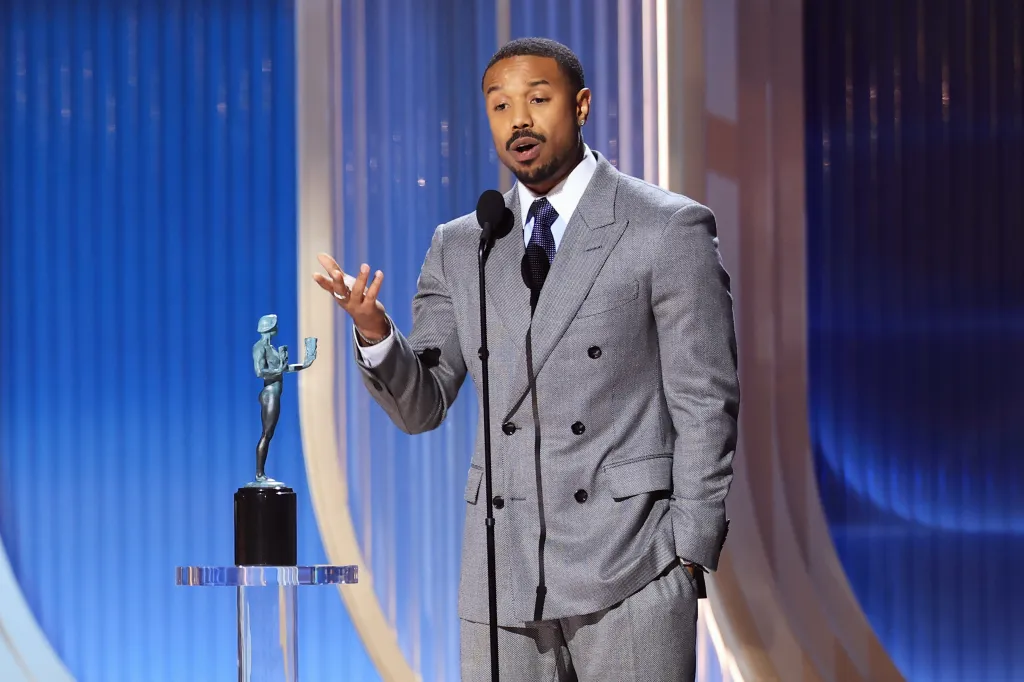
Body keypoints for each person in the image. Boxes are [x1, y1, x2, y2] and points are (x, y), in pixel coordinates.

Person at [313, 37, 739, 682]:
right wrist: (374, 331)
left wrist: (690, 549)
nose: (519, 120)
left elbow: (706, 401)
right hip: (502, 569)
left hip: (634, 560)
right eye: (500, 105)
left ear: (582, 105)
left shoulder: (664, 227)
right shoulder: (464, 244)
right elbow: (423, 404)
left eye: (538, 100)